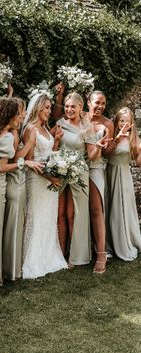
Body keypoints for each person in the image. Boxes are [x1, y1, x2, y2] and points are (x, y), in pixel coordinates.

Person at [54, 92, 109, 269]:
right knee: (59, 213)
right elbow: (52, 148)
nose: (69, 109)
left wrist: (99, 147)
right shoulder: (60, 124)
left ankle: (77, 256)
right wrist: (55, 142)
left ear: (80, 108)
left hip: (80, 172)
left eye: (73, 107)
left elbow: (92, 157)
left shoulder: (87, 128)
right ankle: (60, 254)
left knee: (76, 214)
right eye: (67, 106)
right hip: (61, 171)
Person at [22, 93, 68, 279]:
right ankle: (33, 261)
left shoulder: (46, 130)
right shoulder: (30, 129)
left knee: (48, 218)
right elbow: (29, 161)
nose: (50, 111)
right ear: (38, 108)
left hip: (50, 180)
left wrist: (56, 141)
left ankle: (49, 257)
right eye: (47, 108)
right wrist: (51, 178)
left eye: (50, 108)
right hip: (37, 180)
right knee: (36, 217)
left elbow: (51, 154)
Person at [2, 97, 43, 281]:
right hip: (14, 180)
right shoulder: (13, 134)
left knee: (18, 223)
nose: (24, 115)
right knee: (15, 224)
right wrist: (29, 144)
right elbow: (14, 160)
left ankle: (14, 266)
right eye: (21, 111)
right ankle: (12, 269)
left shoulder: (15, 131)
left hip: (17, 180)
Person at [83, 91, 114, 273]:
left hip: (96, 168)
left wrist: (112, 142)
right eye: (97, 102)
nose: (100, 106)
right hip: (78, 166)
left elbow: (108, 152)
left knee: (96, 210)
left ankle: (101, 255)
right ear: (88, 102)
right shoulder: (80, 118)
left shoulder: (108, 123)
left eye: (103, 103)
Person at [106, 107, 141, 260]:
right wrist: (117, 139)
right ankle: (109, 243)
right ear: (117, 121)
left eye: (127, 121)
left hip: (124, 175)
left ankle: (125, 241)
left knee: (123, 208)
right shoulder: (112, 134)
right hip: (110, 173)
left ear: (132, 122)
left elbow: (138, 162)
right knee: (110, 208)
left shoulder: (134, 139)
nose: (124, 124)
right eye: (121, 120)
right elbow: (105, 153)